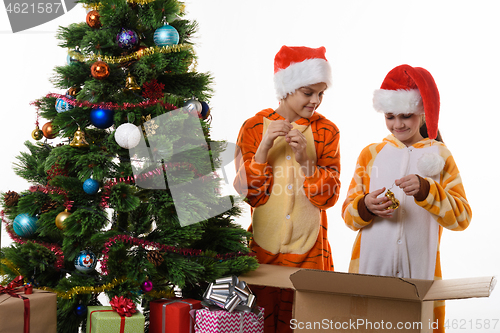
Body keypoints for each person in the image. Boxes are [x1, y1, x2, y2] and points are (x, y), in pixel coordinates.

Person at [342, 64, 471, 333]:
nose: (397, 124)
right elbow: (348, 216)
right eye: (390, 116)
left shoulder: (441, 155)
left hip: (419, 273)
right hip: (370, 269)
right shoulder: (371, 154)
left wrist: (428, 191)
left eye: (406, 116)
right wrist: (365, 205)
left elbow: (462, 218)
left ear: (423, 113)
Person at [234, 45, 341, 332]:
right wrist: (263, 150)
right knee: (259, 323)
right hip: (262, 251)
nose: (316, 100)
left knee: (307, 324)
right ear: (287, 87)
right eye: (309, 92)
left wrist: (307, 162)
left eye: (321, 93)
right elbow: (249, 195)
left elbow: (329, 197)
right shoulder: (254, 127)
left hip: (309, 252)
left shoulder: (326, 132)